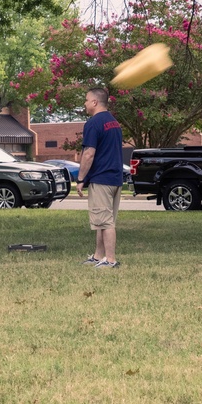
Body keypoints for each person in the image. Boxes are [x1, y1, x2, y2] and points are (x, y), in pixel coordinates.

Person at [76, 87, 124, 269]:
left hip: (101, 179)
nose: (85, 103)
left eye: (87, 100)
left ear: (95, 102)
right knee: (101, 221)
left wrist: (81, 179)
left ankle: (110, 260)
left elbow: (88, 153)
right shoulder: (114, 122)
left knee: (105, 222)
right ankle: (98, 256)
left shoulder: (93, 123)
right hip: (115, 179)